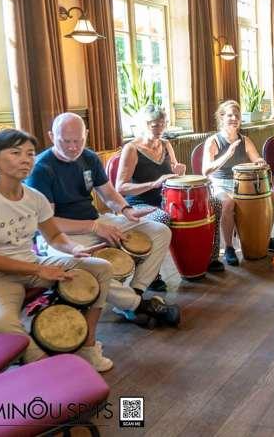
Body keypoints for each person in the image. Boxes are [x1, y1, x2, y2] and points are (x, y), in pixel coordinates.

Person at [26, 112, 180, 328]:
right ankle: (138, 305)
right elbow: (48, 224)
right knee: (89, 265)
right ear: (52, 136)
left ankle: (134, 292)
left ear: (86, 135)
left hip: (94, 221)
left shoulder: (89, 157)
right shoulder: (41, 169)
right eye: (66, 141)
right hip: (59, 237)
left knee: (160, 231)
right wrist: (94, 227)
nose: (73, 147)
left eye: (78, 141)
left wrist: (126, 210)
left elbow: (108, 194)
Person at [0, 129, 113, 371]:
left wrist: (75, 248)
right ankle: (47, 368)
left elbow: (54, 236)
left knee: (101, 269)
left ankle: (87, 345)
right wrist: (39, 270)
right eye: (16, 153)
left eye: (30, 153)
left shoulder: (35, 198)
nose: (26, 159)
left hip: (32, 265)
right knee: (0, 324)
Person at [116, 104, 226, 274]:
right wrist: (153, 184)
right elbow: (121, 187)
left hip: (168, 201)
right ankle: (151, 275)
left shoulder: (166, 144)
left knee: (215, 204)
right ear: (144, 125)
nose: (160, 129)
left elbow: (175, 176)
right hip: (139, 205)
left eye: (163, 124)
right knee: (162, 217)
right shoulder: (132, 149)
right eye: (155, 125)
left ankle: (210, 258)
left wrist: (179, 172)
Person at [202, 100, 274, 264]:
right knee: (228, 203)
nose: (234, 118)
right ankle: (229, 247)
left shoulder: (245, 140)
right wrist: (228, 154)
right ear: (222, 117)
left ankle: (265, 237)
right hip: (218, 184)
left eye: (237, 116)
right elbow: (205, 171)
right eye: (230, 115)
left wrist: (261, 162)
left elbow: (257, 159)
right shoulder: (213, 141)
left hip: (242, 184)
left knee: (272, 197)